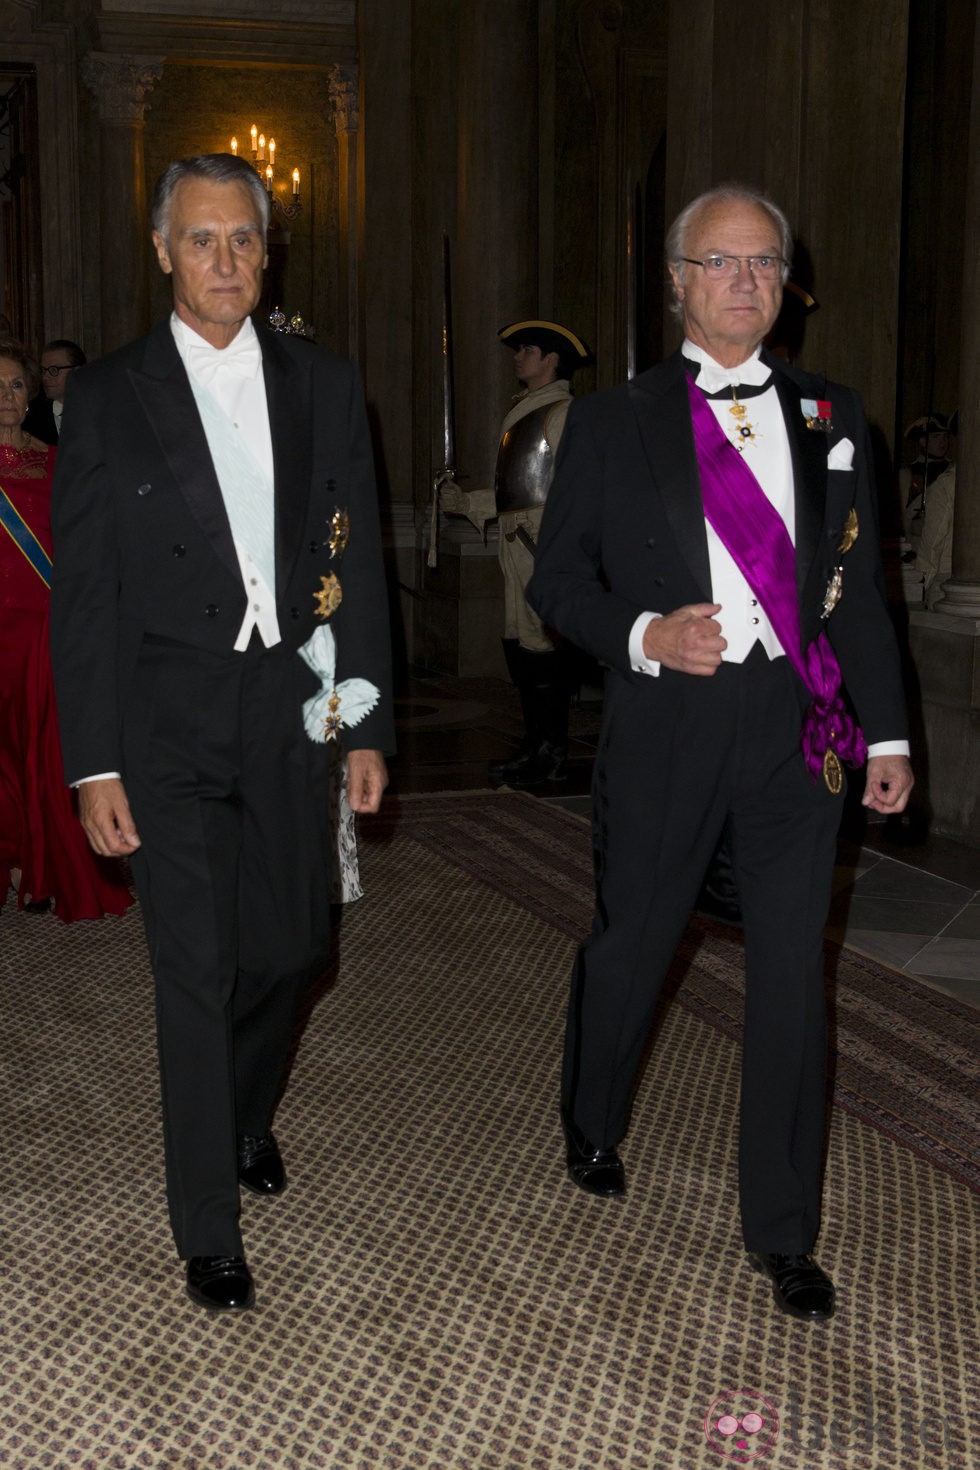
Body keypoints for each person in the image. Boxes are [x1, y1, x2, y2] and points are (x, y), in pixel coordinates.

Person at [529, 184, 913, 1323]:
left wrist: (885, 732)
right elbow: (557, 586)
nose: (741, 282)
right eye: (718, 262)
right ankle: (592, 1117)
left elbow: (857, 594)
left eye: (760, 264)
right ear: (676, 280)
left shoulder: (835, 417)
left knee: (793, 974)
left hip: (801, 730)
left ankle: (782, 1229)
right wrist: (643, 635)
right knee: (633, 943)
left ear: (781, 283)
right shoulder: (609, 420)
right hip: (666, 726)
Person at [49, 154, 394, 1312]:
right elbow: (82, 593)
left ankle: (245, 1113)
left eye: (242, 238)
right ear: (162, 252)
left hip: (290, 713)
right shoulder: (105, 395)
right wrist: (92, 758)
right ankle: (208, 1221)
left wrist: (359, 724)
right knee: (191, 972)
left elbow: (356, 566)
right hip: (164, 721)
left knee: (294, 949)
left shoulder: (326, 384)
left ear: (267, 248)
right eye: (201, 240)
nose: (224, 261)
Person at [0, 338, 132, 921]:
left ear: (32, 394)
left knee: (47, 749)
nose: (5, 397)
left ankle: (43, 862)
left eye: (15, 385)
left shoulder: (59, 459)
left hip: (47, 628)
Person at [441, 320, 592, 786]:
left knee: (542, 646)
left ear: (551, 360)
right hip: (516, 543)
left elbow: (575, 488)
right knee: (521, 645)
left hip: (539, 543)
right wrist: (468, 503)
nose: (517, 356)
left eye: (527, 349)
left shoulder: (563, 411)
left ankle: (551, 753)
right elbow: (520, 486)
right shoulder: (526, 410)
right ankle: (534, 747)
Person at [23, 339, 87, 445]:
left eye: (54, 370)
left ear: (77, 371)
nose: (45, 377)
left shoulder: (99, 409)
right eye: (43, 370)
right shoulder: (32, 416)